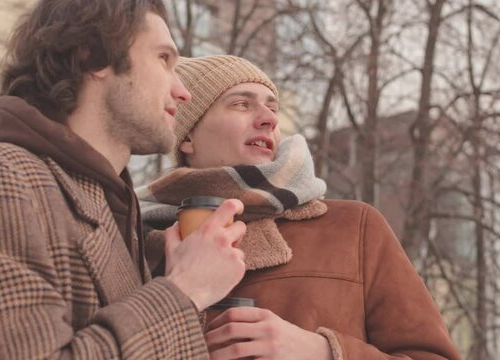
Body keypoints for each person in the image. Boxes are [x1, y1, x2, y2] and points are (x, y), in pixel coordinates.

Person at [0, 1, 247, 358]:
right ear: (94, 56)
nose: (183, 91)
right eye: (164, 59)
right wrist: (185, 290)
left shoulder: (112, 203)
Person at [137, 55, 462, 360]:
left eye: (271, 108)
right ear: (187, 136)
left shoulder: (354, 229)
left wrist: (324, 351)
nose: (268, 119)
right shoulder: (134, 239)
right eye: (241, 104)